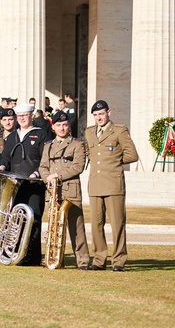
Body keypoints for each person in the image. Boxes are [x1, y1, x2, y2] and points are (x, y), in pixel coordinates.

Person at [84, 100, 139, 271]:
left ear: (109, 112)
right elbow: (89, 154)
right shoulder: (89, 132)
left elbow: (132, 155)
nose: (98, 118)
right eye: (95, 115)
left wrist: (115, 161)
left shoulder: (119, 130)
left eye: (101, 114)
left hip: (114, 183)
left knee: (117, 224)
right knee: (96, 224)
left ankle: (118, 261)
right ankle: (99, 260)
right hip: (95, 184)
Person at [0, 102, 50, 266]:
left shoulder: (41, 135)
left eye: (25, 115)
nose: (22, 118)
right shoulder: (12, 137)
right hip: (15, 185)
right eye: (20, 116)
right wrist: (2, 166)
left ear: (31, 116)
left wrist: (37, 174)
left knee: (34, 220)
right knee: (15, 222)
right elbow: (6, 158)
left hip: (34, 185)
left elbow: (45, 159)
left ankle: (32, 257)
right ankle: (16, 255)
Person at [39, 110, 90, 270]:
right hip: (53, 193)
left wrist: (57, 176)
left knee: (76, 228)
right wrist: (47, 177)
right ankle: (56, 259)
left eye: (65, 125)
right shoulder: (48, 146)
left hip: (70, 192)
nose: (62, 128)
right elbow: (42, 166)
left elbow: (78, 167)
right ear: (53, 127)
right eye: (59, 125)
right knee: (54, 228)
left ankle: (83, 261)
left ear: (69, 126)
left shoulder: (77, 144)